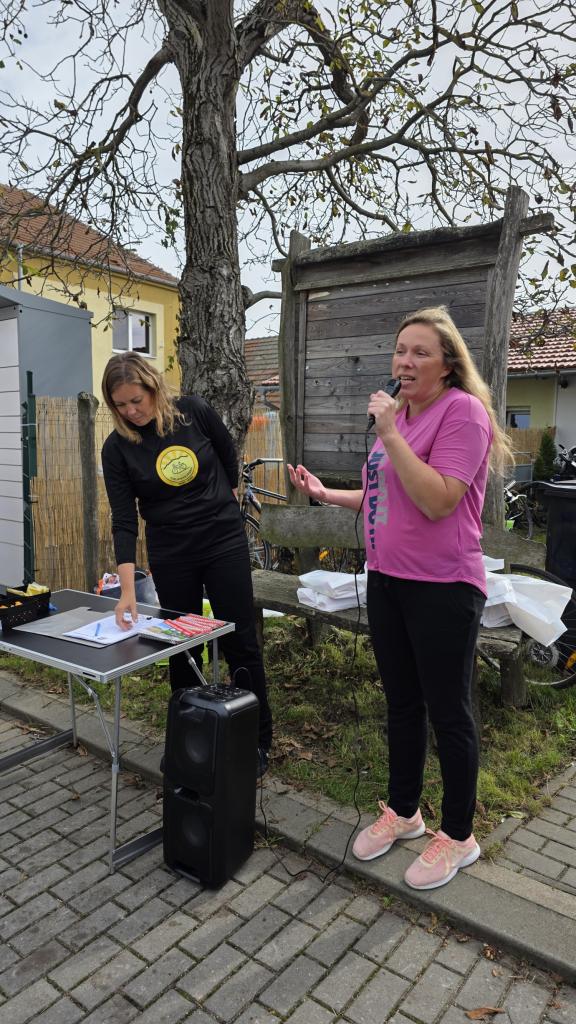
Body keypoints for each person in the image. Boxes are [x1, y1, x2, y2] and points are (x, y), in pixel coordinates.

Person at [288, 306, 512, 890]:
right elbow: (384, 494)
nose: (404, 362)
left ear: (447, 365)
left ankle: (459, 836)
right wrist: (326, 494)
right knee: (402, 704)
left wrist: (388, 431)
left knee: (449, 712)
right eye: (399, 350)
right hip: (387, 581)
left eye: (420, 352)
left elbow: (438, 500)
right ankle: (405, 812)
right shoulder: (403, 415)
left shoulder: (461, 412)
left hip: (443, 587)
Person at [101, 351, 272, 776]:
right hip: (171, 551)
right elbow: (124, 521)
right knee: (182, 647)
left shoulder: (193, 412)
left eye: (136, 400)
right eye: (120, 405)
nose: (131, 411)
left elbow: (228, 457)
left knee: (240, 641)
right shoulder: (117, 448)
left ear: (153, 388)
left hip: (222, 542)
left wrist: (225, 501)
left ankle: (255, 739)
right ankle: (190, 739)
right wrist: (126, 591)